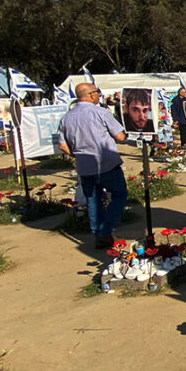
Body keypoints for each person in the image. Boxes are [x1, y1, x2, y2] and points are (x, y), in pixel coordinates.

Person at [56, 83, 128, 248]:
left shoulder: (66, 117)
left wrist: (78, 155)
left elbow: (62, 145)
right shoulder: (100, 112)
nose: (98, 96)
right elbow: (120, 136)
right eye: (97, 93)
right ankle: (105, 231)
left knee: (92, 200)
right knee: (119, 195)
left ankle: (99, 234)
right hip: (106, 164)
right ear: (90, 95)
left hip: (85, 166)